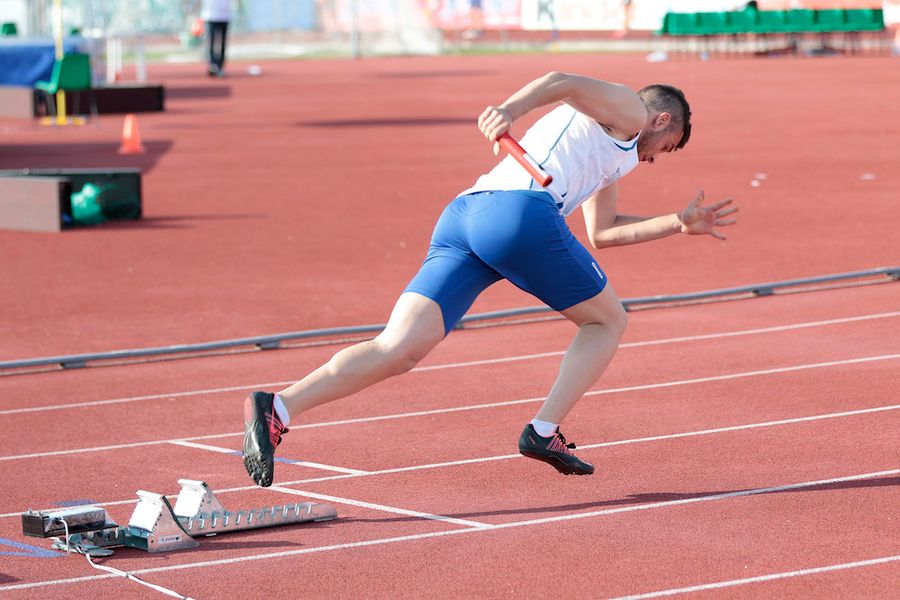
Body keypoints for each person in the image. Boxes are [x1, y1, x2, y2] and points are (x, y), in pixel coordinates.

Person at [242, 71, 738, 486]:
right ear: (662, 120)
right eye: (665, 148)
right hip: (520, 214)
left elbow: (603, 232)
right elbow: (562, 81)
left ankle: (278, 407)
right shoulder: (630, 111)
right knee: (608, 321)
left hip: (465, 217)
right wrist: (507, 110)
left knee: (398, 349)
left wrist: (677, 222)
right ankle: (543, 430)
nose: (654, 158)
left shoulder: (615, 150)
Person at [201, 0, 232, 76]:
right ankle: (212, 65)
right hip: (211, 15)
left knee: (223, 42)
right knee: (211, 42)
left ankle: (220, 66)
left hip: (225, 16)